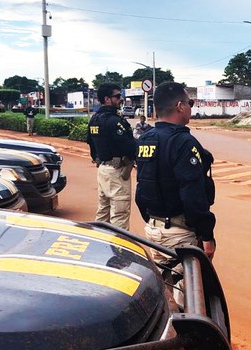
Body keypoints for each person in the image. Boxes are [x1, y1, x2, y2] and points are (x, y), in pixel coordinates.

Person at [135, 81, 216, 266]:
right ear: (180, 106)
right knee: (189, 291)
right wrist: (207, 236)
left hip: (153, 230)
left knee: (165, 289)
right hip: (180, 235)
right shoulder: (184, 142)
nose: (191, 108)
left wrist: (153, 221)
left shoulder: (145, 139)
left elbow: (142, 187)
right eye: (190, 103)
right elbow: (193, 195)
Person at [85, 83, 136, 230]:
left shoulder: (94, 120)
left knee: (103, 212)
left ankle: (99, 245)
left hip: (102, 169)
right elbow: (129, 147)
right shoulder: (114, 121)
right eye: (117, 96)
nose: (120, 99)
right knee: (119, 216)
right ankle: (119, 251)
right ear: (107, 99)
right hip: (117, 173)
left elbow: (91, 145)